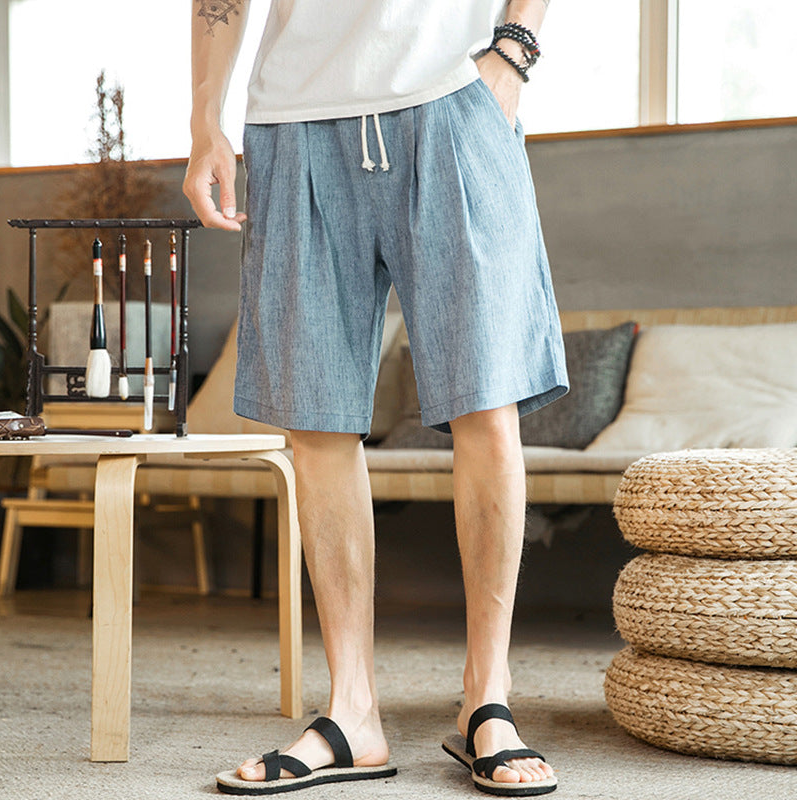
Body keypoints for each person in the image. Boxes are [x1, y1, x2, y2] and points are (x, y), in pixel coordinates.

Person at [184, 0, 567, 795]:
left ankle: (486, 699)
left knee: (486, 407)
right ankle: (352, 712)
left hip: (453, 98)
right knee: (316, 424)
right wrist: (204, 120)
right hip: (293, 121)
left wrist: (514, 50)